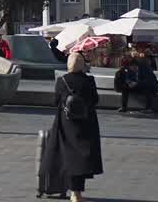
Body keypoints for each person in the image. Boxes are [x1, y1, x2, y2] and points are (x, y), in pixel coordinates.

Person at [39, 52, 103, 202]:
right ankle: (77, 192)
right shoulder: (89, 81)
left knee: (66, 156)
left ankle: (66, 189)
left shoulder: (61, 81)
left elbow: (56, 101)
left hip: (66, 124)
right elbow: (95, 100)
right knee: (81, 159)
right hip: (86, 124)